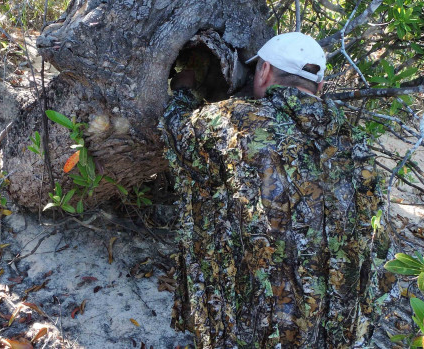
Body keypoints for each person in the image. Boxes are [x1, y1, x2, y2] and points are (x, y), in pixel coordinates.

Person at [160, 32, 388, 348]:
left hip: (255, 328)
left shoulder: (237, 119)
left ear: (264, 71)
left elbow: (176, 127)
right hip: (328, 329)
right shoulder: (357, 145)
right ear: (319, 88)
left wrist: (185, 84)